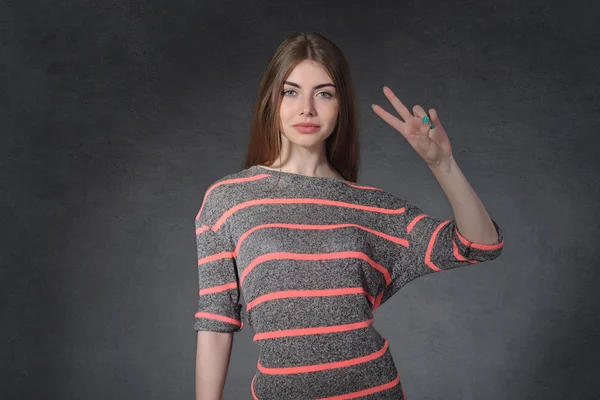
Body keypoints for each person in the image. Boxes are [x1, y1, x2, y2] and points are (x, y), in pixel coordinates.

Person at [194, 32, 504, 400]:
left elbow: (480, 244)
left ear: (341, 105)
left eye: (323, 93)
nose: (307, 108)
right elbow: (215, 324)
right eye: (291, 91)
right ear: (271, 100)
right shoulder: (228, 200)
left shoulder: (373, 208)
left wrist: (443, 165)